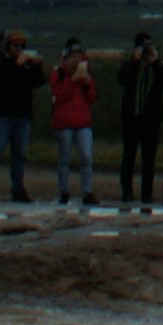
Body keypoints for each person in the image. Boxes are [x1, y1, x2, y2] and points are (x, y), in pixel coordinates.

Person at [0, 33, 48, 204]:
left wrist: (37, 66)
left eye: (21, 47)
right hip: (2, 115)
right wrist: (18, 65)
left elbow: (38, 82)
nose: (19, 50)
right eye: (15, 46)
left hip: (22, 115)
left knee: (20, 154)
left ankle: (18, 189)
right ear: (7, 47)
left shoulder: (26, 66)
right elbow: (2, 82)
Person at [115, 36, 163, 213]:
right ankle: (127, 191)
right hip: (131, 118)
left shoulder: (157, 67)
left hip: (151, 119)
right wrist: (134, 61)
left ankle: (147, 194)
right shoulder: (130, 66)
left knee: (149, 159)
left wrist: (156, 61)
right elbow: (121, 79)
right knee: (128, 156)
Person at [48, 43, 96, 208]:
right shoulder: (58, 74)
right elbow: (58, 96)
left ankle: (87, 192)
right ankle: (63, 191)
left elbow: (92, 98)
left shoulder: (86, 74)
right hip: (64, 122)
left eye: (79, 57)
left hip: (83, 122)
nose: (77, 60)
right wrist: (72, 81)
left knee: (87, 157)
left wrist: (87, 83)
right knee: (64, 158)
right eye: (73, 57)